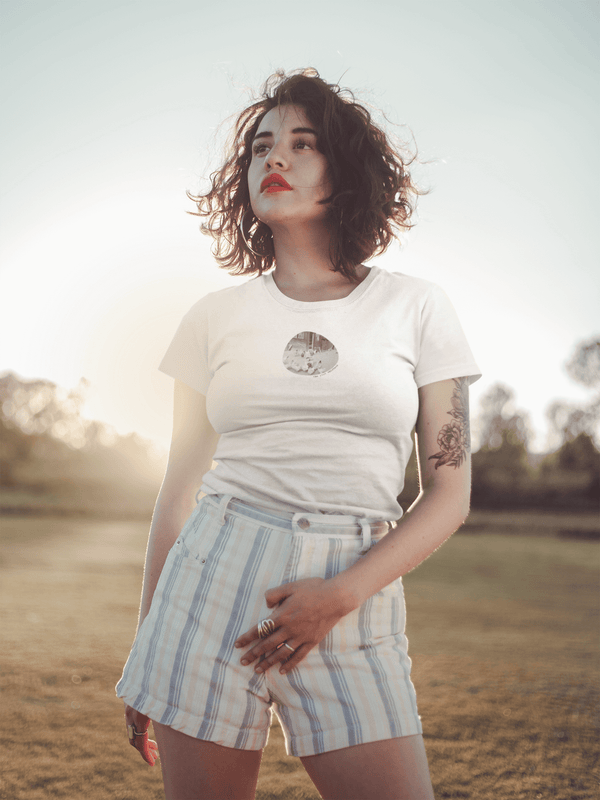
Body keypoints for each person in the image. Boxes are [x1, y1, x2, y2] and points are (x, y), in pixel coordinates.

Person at [116, 67, 480, 800]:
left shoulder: (418, 308)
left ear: (344, 173)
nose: (273, 159)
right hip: (208, 583)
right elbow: (178, 487)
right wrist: (148, 645)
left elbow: (450, 493)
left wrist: (339, 596)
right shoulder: (211, 318)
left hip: (354, 583)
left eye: (301, 144)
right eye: (259, 147)